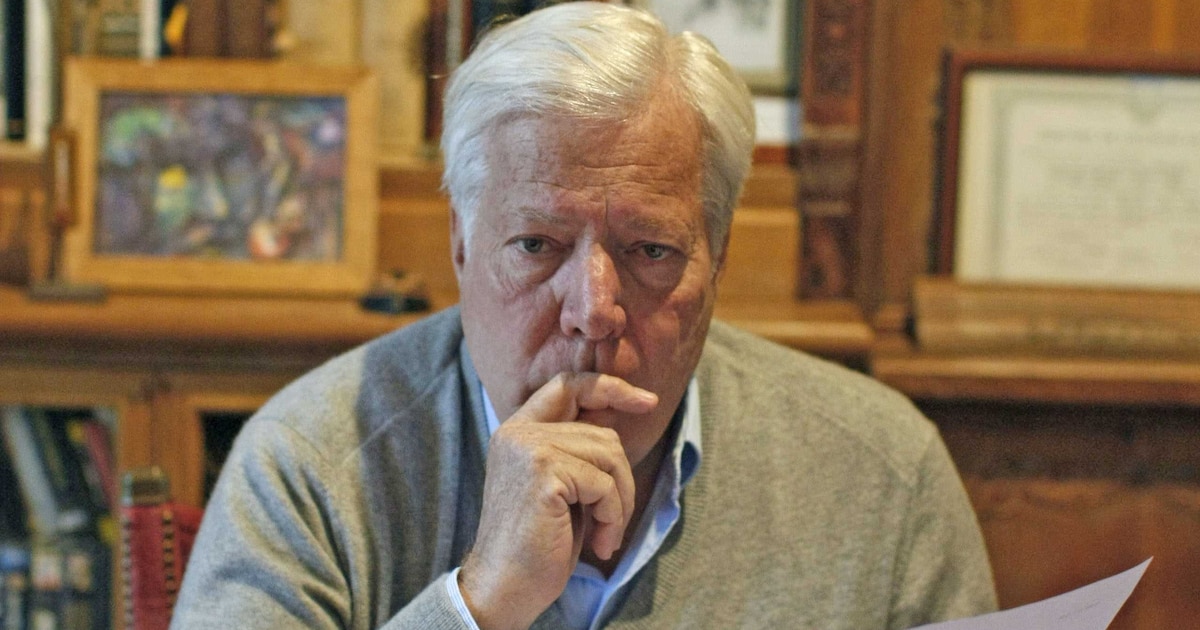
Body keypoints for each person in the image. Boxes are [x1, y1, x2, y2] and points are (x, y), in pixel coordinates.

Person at [170, 3, 997, 629]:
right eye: (536, 245)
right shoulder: (310, 463)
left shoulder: (882, 472)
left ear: (720, 255)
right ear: (461, 244)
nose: (594, 311)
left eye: (650, 251)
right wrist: (480, 601)